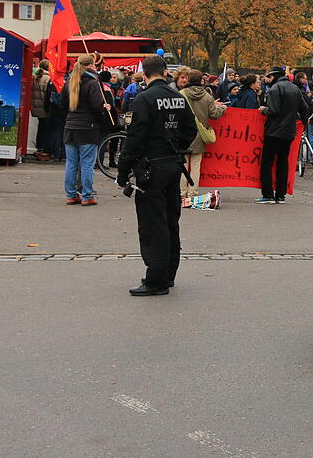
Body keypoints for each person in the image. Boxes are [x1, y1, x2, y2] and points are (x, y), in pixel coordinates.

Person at [116, 54, 197, 296]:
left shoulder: (144, 99)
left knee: (153, 224)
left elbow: (134, 138)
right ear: (165, 72)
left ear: (145, 74)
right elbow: (191, 129)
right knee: (171, 220)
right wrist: (176, 148)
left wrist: (123, 170)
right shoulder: (178, 97)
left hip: (151, 168)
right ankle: (169, 274)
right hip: (173, 165)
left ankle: (156, 279)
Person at [256, 66, 309, 204]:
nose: (267, 79)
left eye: (268, 77)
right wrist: (304, 124)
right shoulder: (295, 88)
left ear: (274, 76)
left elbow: (274, 110)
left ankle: (268, 194)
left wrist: (263, 110)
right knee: (282, 163)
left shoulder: (274, 89)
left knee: (267, 163)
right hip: (289, 132)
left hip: (273, 131)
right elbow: (304, 108)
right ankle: (281, 195)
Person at [63, 54, 111, 206]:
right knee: (87, 164)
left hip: (71, 126)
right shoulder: (92, 83)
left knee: (71, 163)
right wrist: (103, 111)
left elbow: (62, 104)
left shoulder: (69, 82)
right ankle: (87, 195)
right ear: (91, 65)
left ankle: (71, 194)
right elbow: (97, 106)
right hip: (88, 128)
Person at [180, 70, 227, 198]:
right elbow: (214, 114)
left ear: (188, 80)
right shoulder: (207, 96)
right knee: (196, 166)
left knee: (183, 165)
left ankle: (182, 193)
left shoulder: (181, 94)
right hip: (199, 134)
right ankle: (193, 193)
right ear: (201, 81)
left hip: (183, 134)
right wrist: (222, 108)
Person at [31, 60, 55, 161]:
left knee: (41, 128)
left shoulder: (36, 77)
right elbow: (48, 95)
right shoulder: (48, 78)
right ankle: (44, 149)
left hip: (37, 107)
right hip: (45, 108)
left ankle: (39, 147)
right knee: (46, 130)